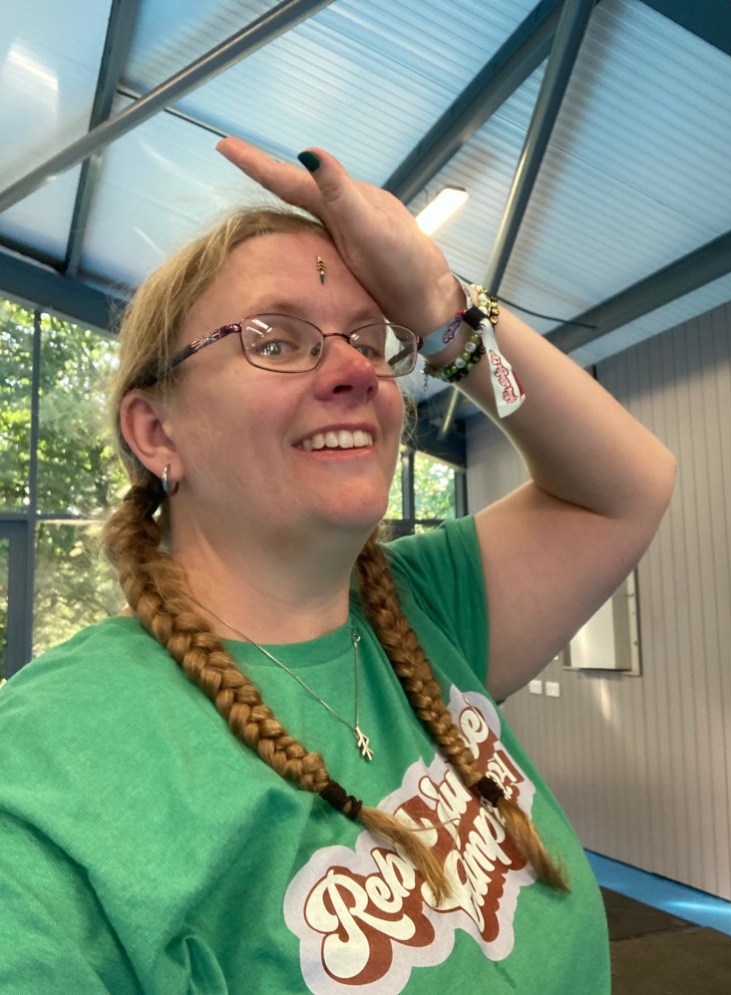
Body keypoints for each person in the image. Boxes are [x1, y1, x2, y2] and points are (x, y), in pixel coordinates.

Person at [0, 140, 675, 994]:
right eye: (276, 341)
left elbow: (630, 485)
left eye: (370, 337)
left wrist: (440, 307)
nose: (358, 369)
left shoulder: (423, 608)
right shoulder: (51, 766)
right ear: (156, 432)